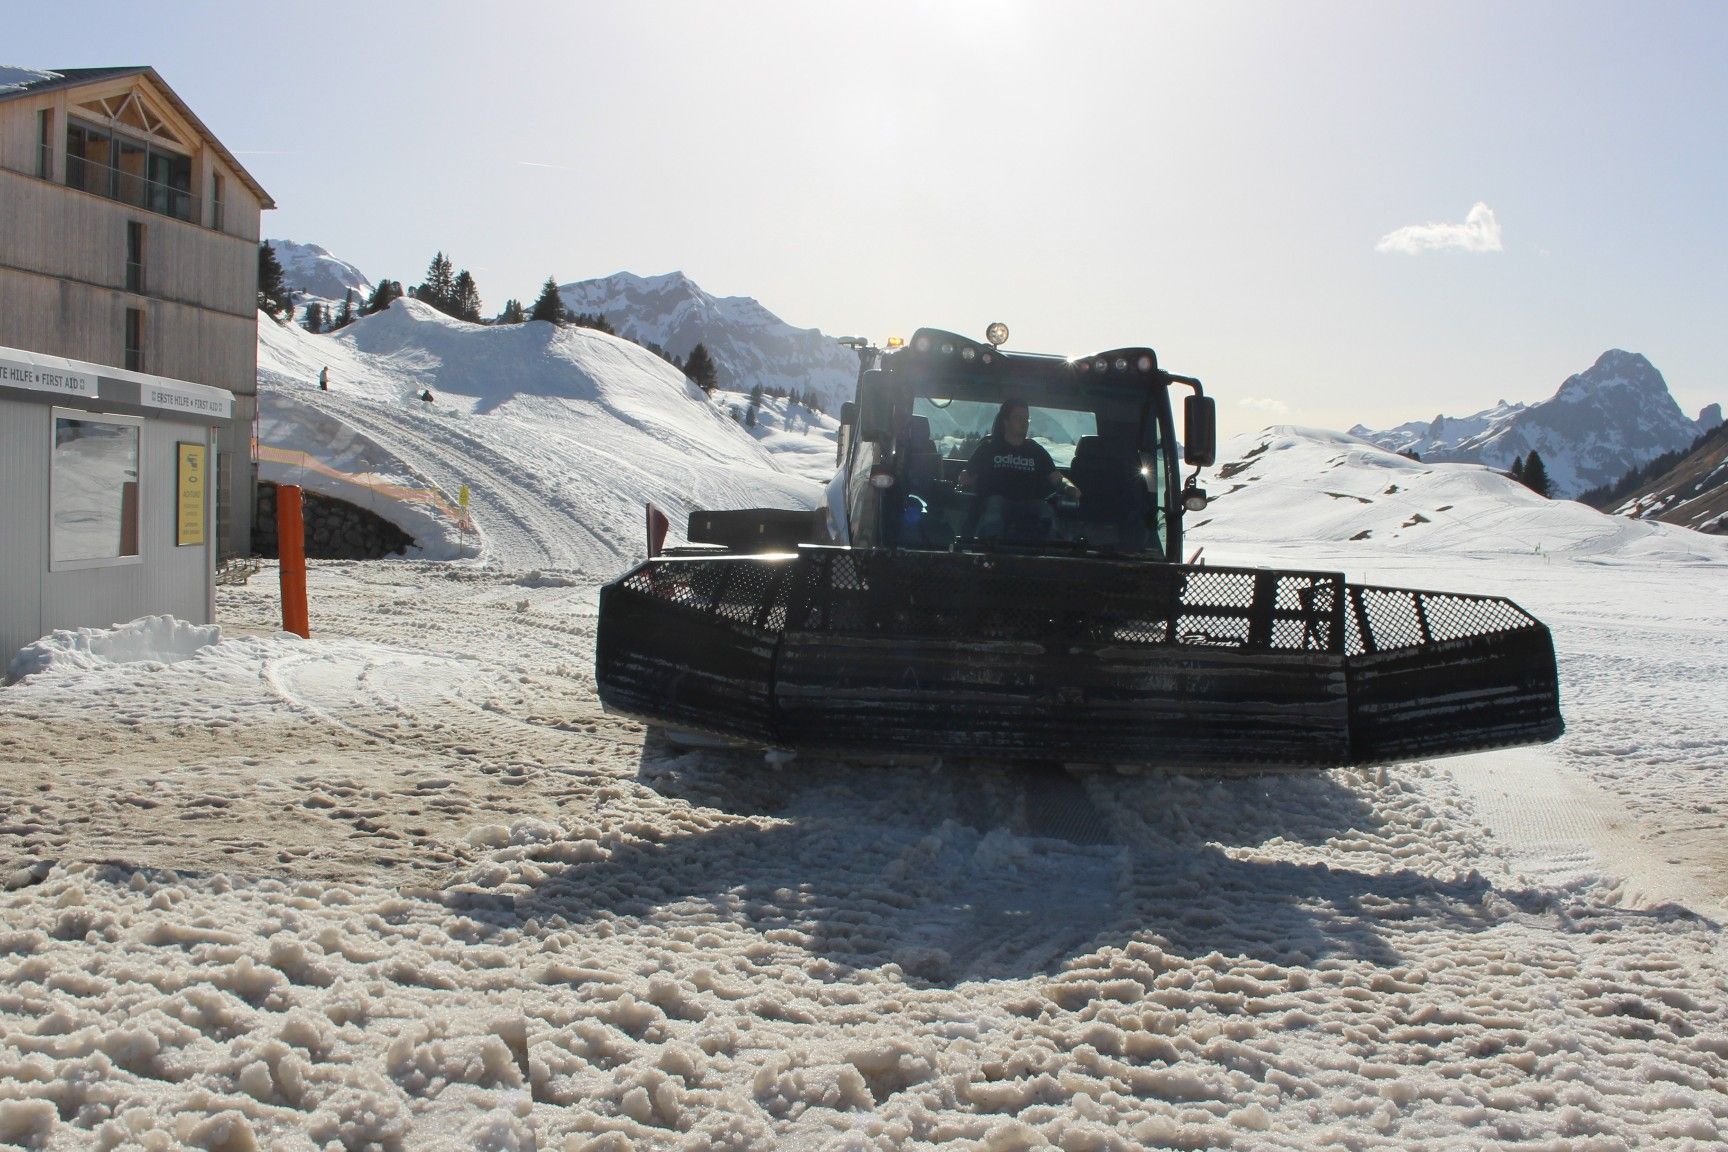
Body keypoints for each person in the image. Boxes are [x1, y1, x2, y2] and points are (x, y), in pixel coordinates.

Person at [956, 399, 1079, 540]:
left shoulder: (1036, 451)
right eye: (1018, 418)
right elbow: (967, 475)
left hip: (1030, 505)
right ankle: (989, 551)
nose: (1024, 422)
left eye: (1026, 418)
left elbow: (1056, 477)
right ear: (1005, 421)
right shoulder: (988, 449)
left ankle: (1049, 556)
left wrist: (1069, 487)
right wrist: (965, 478)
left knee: (1046, 511)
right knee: (995, 505)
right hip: (995, 504)